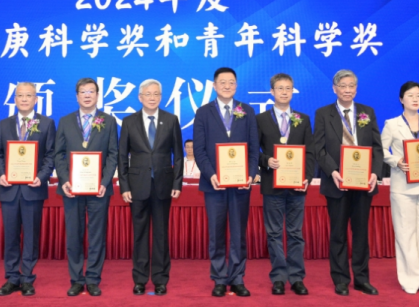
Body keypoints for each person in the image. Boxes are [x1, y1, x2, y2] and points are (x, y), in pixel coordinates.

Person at [313, 69, 383, 296]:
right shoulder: (323, 113)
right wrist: (333, 171)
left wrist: (375, 173)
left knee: (361, 233)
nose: (347, 90)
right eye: (343, 86)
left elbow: (377, 147)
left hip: (364, 182)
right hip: (337, 182)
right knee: (338, 234)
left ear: (356, 89)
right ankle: (341, 279)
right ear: (334, 89)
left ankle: (362, 279)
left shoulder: (367, 112)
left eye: (351, 85)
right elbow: (319, 148)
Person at [193, 67, 259, 297]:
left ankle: (237, 278)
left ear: (236, 86)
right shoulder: (203, 112)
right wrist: (210, 174)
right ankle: (219, 278)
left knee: (239, 233)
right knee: (216, 233)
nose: (227, 86)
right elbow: (199, 150)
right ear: (214, 85)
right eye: (222, 82)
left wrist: (250, 174)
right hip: (214, 184)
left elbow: (254, 148)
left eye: (231, 82)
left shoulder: (247, 111)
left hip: (241, 185)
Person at [55, 78, 119, 296]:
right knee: (73, 234)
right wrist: (65, 180)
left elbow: (113, 154)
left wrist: (104, 182)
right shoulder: (65, 121)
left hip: (98, 189)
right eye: (83, 91)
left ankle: (92, 279)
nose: (87, 95)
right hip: (71, 188)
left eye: (91, 91)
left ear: (97, 95)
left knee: (96, 235)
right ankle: (76, 279)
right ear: (77, 96)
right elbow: (58, 154)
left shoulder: (108, 121)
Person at [119, 79, 183, 296]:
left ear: (161, 97)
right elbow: (122, 156)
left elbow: (178, 154)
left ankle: (160, 279)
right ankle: (139, 279)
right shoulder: (129, 121)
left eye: (156, 94)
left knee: (161, 234)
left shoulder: (171, 120)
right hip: (137, 186)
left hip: (163, 184)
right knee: (139, 234)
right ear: (140, 97)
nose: (152, 97)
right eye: (148, 94)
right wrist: (124, 186)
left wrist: (177, 182)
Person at [0, 82, 56, 297]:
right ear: (15, 99)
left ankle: (27, 278)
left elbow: (50, 155)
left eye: (29, 95)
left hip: (33, 189)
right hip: (9, 188)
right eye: (20, 95)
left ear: (36, 99)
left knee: (30, 236)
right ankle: (12, 277)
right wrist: (1, 174)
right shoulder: (4, 124)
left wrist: (41, 177)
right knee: (10, 236)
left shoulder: (46, 123)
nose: (24, 99)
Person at [380, 81, 419, 295]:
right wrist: (396, 161)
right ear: (401, 99)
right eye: (410, 95)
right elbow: (381, 149)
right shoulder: (392, 124)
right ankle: (409, 279)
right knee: (405, 233)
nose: (415, 99)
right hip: (403, 187)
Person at [256, 73, 314, 296]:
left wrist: (307, 177)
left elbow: (310, 152)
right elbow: (253, 151)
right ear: (272, 92)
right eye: (280, 88)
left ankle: (297, 278)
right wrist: (266, 161)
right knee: (274, 234)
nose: (284, 92)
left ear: (293, 91)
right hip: (272, 185)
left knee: (295, 233)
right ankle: (279, 277)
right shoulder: (261, 119)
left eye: (288, 88)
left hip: (297, 186)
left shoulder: (303, 119)